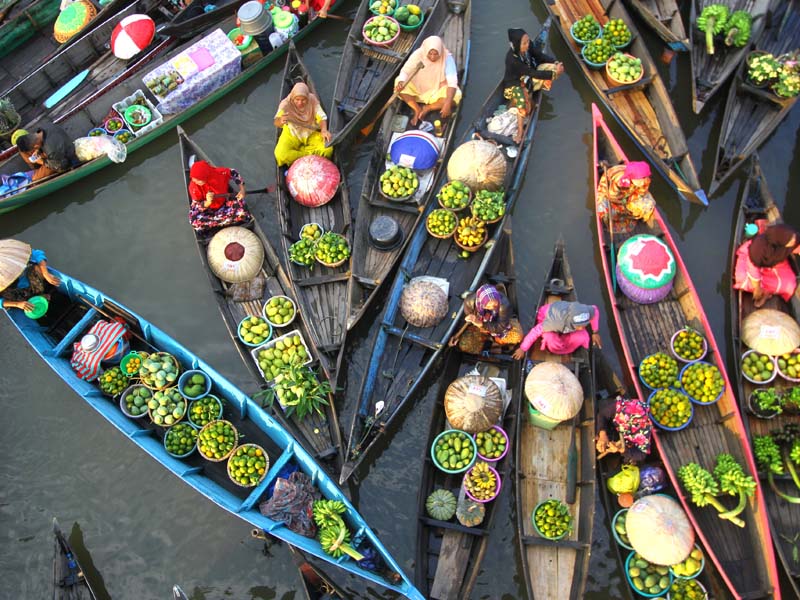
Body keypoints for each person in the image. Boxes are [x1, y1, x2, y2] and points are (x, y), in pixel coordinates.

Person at [503, 28, 563, 143]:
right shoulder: (512, 60)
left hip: (527, 78)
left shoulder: (528, 46)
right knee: (521, 101)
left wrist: (555, 63)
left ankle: (531, 92)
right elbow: (532, 73)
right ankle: (520, 133)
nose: (527, 44)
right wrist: (553, 74)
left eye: (528, 41)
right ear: (516, 45)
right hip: (514, 85)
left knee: (554, 69)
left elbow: (539, 55)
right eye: (524, 43)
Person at [394, 36, 462, 127]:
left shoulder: (447, 58)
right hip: (417, 86)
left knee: (456, 96)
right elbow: (405, 71)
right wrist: (401, 82)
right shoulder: (418, 54)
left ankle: (428, 108)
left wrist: (447, 103)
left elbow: (452, 82)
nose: (433, 57)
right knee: (398, 82)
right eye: (430, 54)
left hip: (436, 89)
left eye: (436, 54)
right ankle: (417, 109)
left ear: (440, 52)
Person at [733, 223, 800, 307]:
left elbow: (797, 246)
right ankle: (765, 292)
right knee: (742, 277)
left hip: (771, 262)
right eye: (791, 241)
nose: (793, 241)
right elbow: (753, 270)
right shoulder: (759, 248)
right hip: (749, 262)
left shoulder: (790, 235)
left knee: (790, 284)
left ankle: (766, 290)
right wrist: (757, 289)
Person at [512, 301, 602, 359]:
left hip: (564, 317)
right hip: (547, 316)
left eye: (584, 325)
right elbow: (535, 332)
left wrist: (595, 332)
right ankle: (554, 350)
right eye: (579, 326)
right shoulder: (554, 323)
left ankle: (565, 348)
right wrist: (523, 348)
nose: (582, 328)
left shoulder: (587, 311)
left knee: (582, 336)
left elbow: (595, 311)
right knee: (550, 339)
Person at [448, 283, 523, 353]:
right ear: (482, 303)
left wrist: (481, 324)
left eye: (495, 305)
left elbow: (500, 327)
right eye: (488, 306)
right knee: (464, 345)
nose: (492, 308)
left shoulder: (504, 306)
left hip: (498, 327)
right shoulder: (469, 303)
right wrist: (457, 335)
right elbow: (469, 321)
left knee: (518, 336)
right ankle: (493, 345)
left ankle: (496, 344)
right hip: (481, 328)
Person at [274, 82, 333, 167]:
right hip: (292, 133)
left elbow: (321, 116)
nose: (300, 103)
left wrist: (324, 130)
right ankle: (310, 154)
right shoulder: (285, 104)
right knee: (280, 154)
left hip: (311, 132)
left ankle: (300, 154)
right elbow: (276, 122)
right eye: (297, 100)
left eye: (303, 100)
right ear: (292, 98)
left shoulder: (312, 100)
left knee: (328, 149)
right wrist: (281, 120)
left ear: (307, 98)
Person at [187, 160, 251, 233]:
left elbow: (233, 172)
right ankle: (227, 220)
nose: (194, 181)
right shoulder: (193, 187)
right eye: (192, 178)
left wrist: (242, 189)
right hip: (208, 210)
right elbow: (197, 206)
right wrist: (208, 202)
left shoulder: (220, 173)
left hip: (224, 204)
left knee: (242, 207)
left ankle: (218, 222)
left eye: (198, 179)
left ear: (206, 176)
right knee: (194, 221)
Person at [596, 160, 656, 234]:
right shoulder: (619, 181)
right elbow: (612, 197)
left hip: (627, 194)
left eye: (644, 178)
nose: (643, 182)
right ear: (632, 177)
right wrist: (624, 203)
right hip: (609, 195)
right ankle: (609, 223)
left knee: (649, 204)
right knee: (603, 210)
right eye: (640, 179)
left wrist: (630, 201)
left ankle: (630, 214)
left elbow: (641, 192)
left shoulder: (645, 180)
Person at [0, 247, 60, 312]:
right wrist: (17, 304)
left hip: (32, 281)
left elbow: (37, 254)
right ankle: (36, 299)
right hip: (17, 296)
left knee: (37, 268)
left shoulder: (12, 254)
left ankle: (41, 294)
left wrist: (46, 274)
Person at [595, 394, 652, 463]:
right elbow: (602, 414)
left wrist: (621, 449)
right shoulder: (622, 406)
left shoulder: (643, 431)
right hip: (613, 426)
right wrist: (602, 434)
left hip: (624, 443)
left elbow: (642, 455)